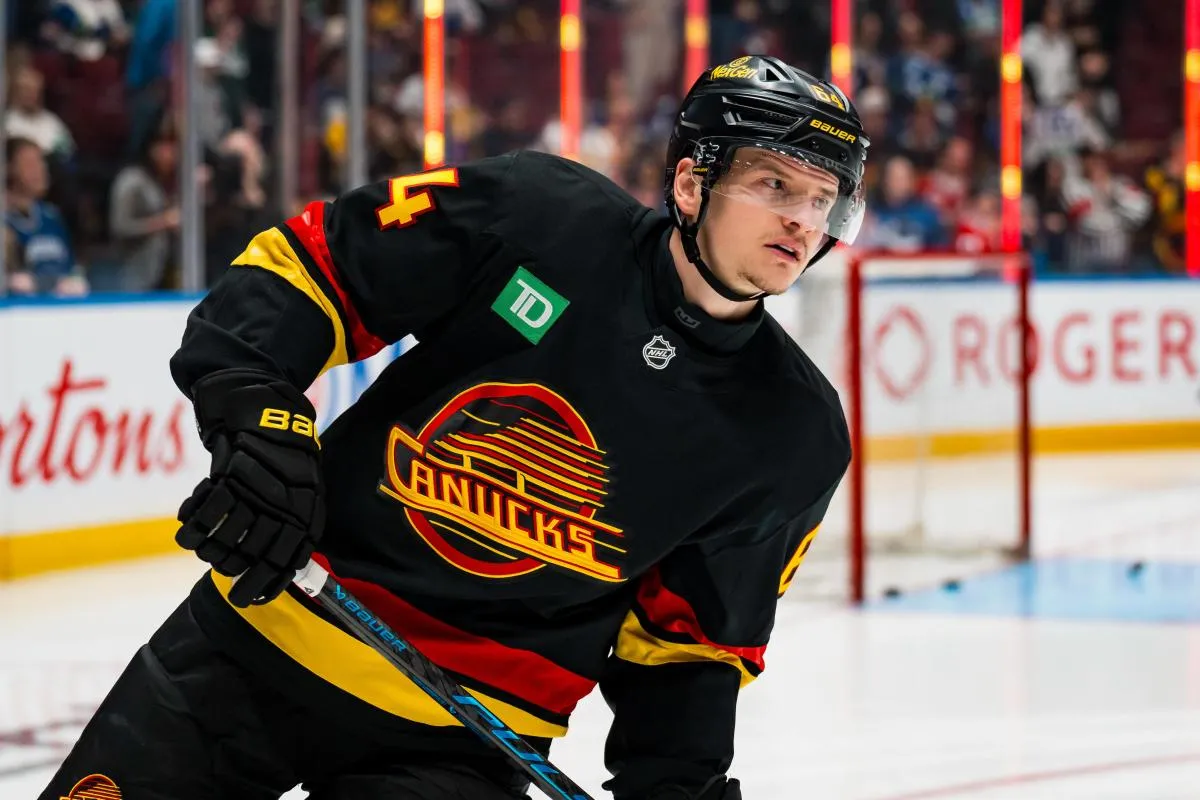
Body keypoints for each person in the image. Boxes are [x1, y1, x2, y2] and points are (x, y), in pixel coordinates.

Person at [40, 55, 868, 800]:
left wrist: (676, 790)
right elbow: (309, 270)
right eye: (774, 184)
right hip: (262, 637)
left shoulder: (792, 433)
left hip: (464, 744)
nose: (802, 220)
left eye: (822, 200)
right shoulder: (541, 218)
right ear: (692, 184)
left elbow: (689, 649)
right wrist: (260, 426)